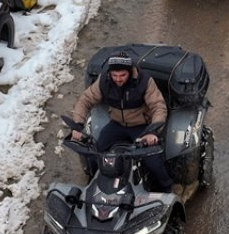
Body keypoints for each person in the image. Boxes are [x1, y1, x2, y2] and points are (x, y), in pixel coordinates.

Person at [69, 53, 175, 193]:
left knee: (153, 161)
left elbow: (159, 107)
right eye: (115, 75)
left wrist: (152, 131)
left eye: (122, 75)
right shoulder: (104, 81)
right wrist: (77, 124)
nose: (118, 79)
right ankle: (94, 182)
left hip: (141, 126)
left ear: (130, 71)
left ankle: (168, 187)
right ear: (110, 73)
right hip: (117, 124)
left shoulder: (145, 81)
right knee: (94, 154)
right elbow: (85, 100)